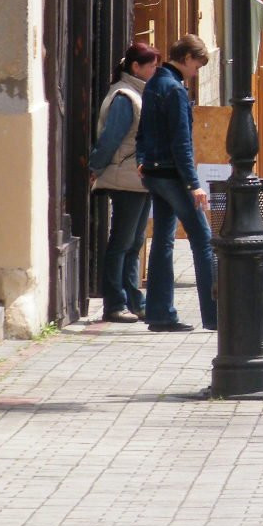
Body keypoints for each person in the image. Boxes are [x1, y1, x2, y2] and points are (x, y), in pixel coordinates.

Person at [136, 35, 217, 333]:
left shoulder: (155, 83)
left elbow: (142, 131)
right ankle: (215, 314)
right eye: (197, 63)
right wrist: (194, 184)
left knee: (162, 241)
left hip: (155, 173)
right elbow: (182, 143)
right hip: (173, 176)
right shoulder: (174, 90)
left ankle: (159, 314)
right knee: (203, 240)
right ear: (185, 57)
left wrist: (142, 160)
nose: (197, 70)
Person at [87, 42, 161, 322]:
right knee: (122, 241)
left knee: (135, 242)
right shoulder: (125, 96)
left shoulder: (140, 94)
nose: (155, 70)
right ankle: (114, 303)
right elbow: (111, 138)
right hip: (125, 178)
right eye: (152, 65)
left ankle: (134, 301)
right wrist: (96, 165)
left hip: (139, 179)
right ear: (136, 67)